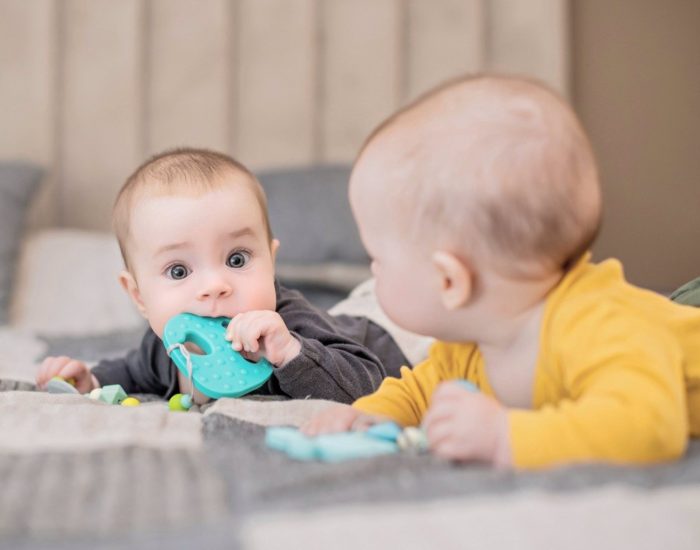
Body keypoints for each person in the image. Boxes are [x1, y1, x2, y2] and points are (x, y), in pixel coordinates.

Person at [302, 74, 700, 469]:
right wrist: (367, 416)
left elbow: (648, 426)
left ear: (450, 281)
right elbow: (419, 391)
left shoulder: (598, 324)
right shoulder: (471, 345)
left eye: (377, 258)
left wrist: (503, 436)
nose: (372, 271)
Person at [35, 148, 409, 404]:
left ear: (271, 262)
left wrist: (292, 353)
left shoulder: (290, 325)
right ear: (139, 297)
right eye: (178, 270)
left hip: (395, 332)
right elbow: (132, 371)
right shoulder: (165, 346)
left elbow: (366, 385)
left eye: (236, 259)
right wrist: (91, 380)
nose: (215, 285)